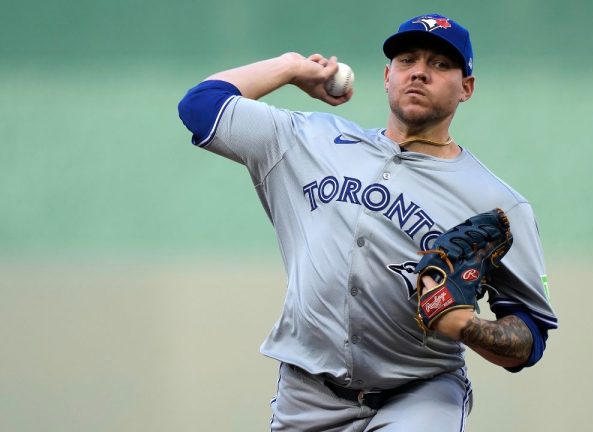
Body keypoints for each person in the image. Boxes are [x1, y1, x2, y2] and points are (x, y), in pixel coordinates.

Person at [177, 13, 558, 432]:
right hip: (307, 395)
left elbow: (530, 334)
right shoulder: (308, 140)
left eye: (440, 64)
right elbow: (200, 107)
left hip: (420, 394)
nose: (419, 73)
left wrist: (469, 326)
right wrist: (289, 67)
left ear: (466, 87)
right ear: (387, 75)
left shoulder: (498, 203)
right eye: (407, 60)